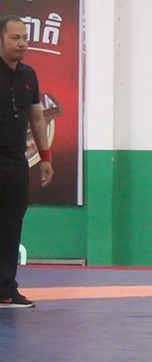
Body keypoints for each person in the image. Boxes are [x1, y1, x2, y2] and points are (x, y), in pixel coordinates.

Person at [0, 16, 54, 309]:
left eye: (25, 38)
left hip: (15, 161)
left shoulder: (28, 75)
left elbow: (37, 117)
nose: (22, 43)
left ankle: (6, 290)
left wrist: (45, 157)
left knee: (11, 223)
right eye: (15, 38)